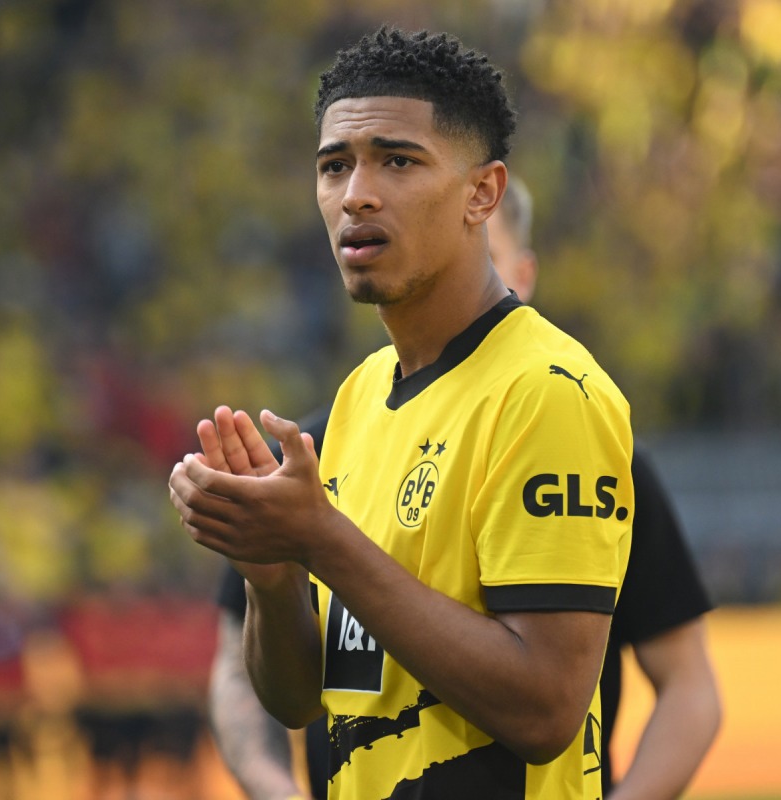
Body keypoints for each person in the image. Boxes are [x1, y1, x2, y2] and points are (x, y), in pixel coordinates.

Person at [170, 27, 634, 799]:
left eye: (398, 160)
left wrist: (322, 538)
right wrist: (272, 578)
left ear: (483, 194)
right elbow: (298, 701)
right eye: (334, 166)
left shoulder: (545, 391)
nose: (356, 194)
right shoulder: (358, 399)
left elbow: (546, 708)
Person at [209, 176, 722, 800]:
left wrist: (324, 543)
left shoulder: (576, 431)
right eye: (335, 165)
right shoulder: (321, 442)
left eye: (486, 255)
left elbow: (680, 684)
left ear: (521, 275)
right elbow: (260, 675)